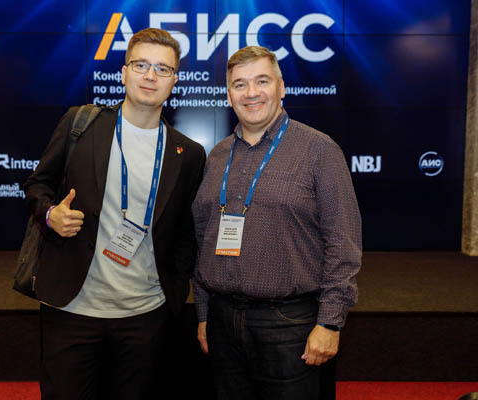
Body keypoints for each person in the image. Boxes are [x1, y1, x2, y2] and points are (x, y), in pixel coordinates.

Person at [24, 28, 206, 400]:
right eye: (141, 65)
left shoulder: (187, 153)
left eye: (162, 68)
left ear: (174, 80)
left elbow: (186, 234)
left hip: (145, 315)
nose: (150, 75)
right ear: (123, 73)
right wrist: (50, 214)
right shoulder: (81, 124)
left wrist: (173, 294)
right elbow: (37, 184)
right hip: (72, 308)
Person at [192, 45, 362, 400]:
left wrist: (330, 321)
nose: (251, 93)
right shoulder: (217, 156)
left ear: (281, 87)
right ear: (228, 94)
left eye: (262, 81)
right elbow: (202, 239)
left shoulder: (319, 150)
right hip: (222, 322)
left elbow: (343, 243)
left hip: (289, 325)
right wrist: (205, 314)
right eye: (240, 84)